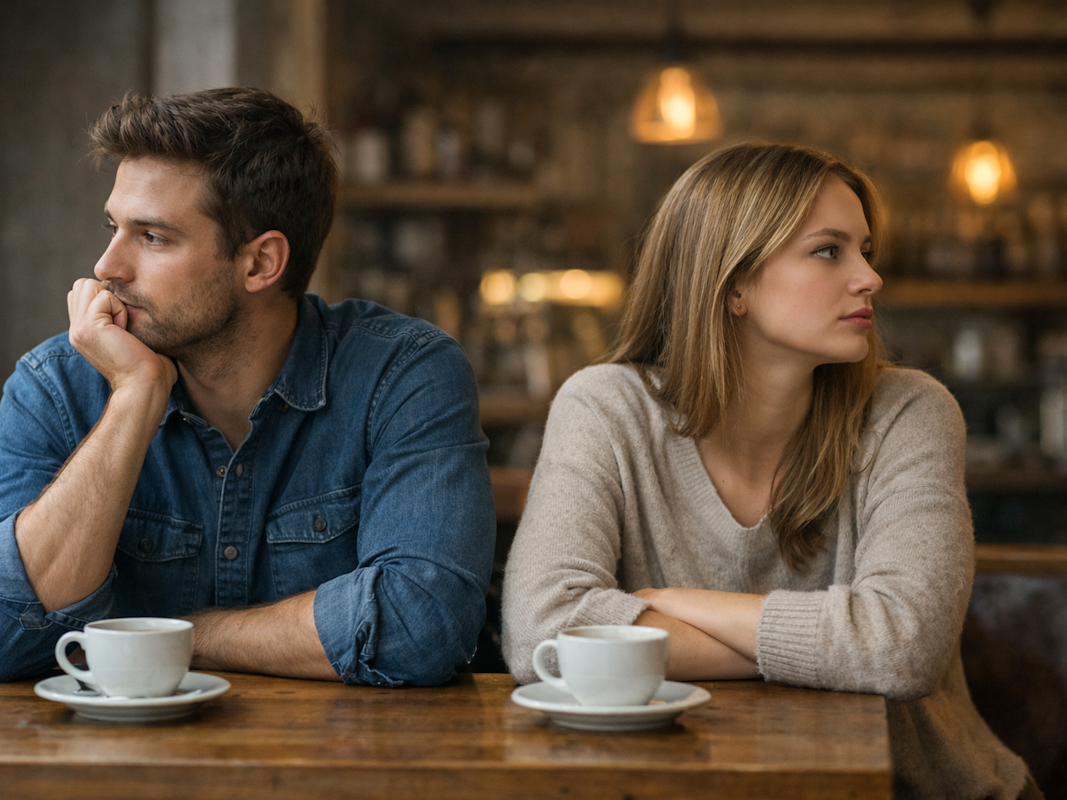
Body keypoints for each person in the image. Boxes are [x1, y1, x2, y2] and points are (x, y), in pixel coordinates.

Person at [501, 143, 1040, 799]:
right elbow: (543, 633)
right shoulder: (604, 409)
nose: (868, 277)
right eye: (828, 250)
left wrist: (665, 607)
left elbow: (904, 647)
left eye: (864, 250)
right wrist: (836, 651)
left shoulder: (909, 413)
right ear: (733, 285)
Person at [0, 87, 495, 687]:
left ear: (260, 263)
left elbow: (422, 623)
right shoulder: (54, 385)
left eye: (152, 237)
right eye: (113, 226)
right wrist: (134, 396)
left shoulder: (403, 375)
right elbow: (9, 635)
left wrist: (173, 637)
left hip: (339, 768)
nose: (107, 267)